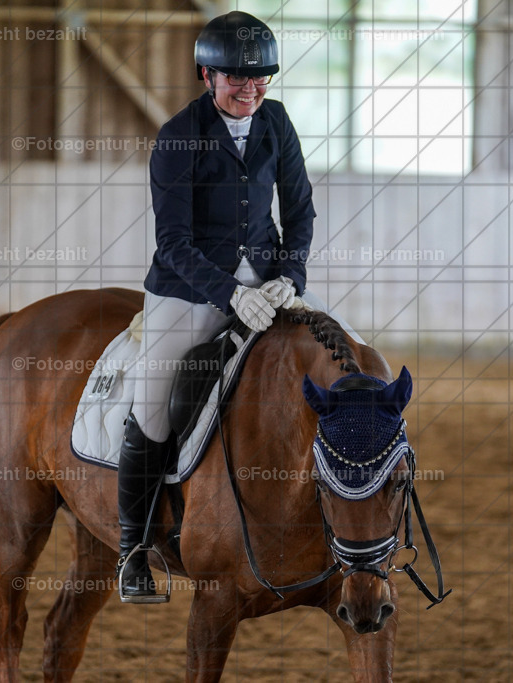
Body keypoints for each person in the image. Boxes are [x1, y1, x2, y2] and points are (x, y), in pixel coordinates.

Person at [116, 10, 317, 601]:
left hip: (269, 281)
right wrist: (232, 294)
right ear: (207, 74)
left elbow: (299, 210)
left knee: (343, 356)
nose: (250, 91)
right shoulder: (178, 136)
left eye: (260, 81)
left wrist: (290, 277)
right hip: (188, 290)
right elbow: (172, 244)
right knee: (153, 404)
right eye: (236, 80)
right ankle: (132, 552)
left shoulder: (276, 122)